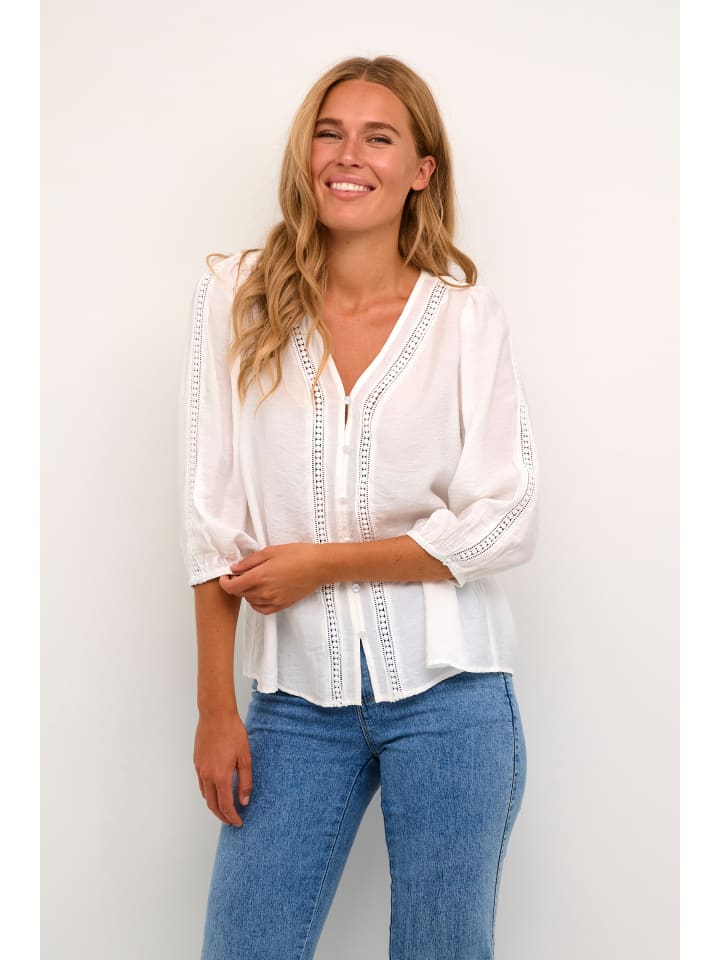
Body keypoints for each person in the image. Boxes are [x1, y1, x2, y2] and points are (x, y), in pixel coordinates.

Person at [179, 54, 540, 960]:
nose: (349, 155)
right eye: (329, 133)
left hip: (454, 698)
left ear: (421, 169)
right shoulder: (237, 299)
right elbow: (211, 516)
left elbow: (505, 516)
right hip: (294, 704)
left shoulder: (465, 318)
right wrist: (216, 709)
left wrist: (324, 564)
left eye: (380, 138)